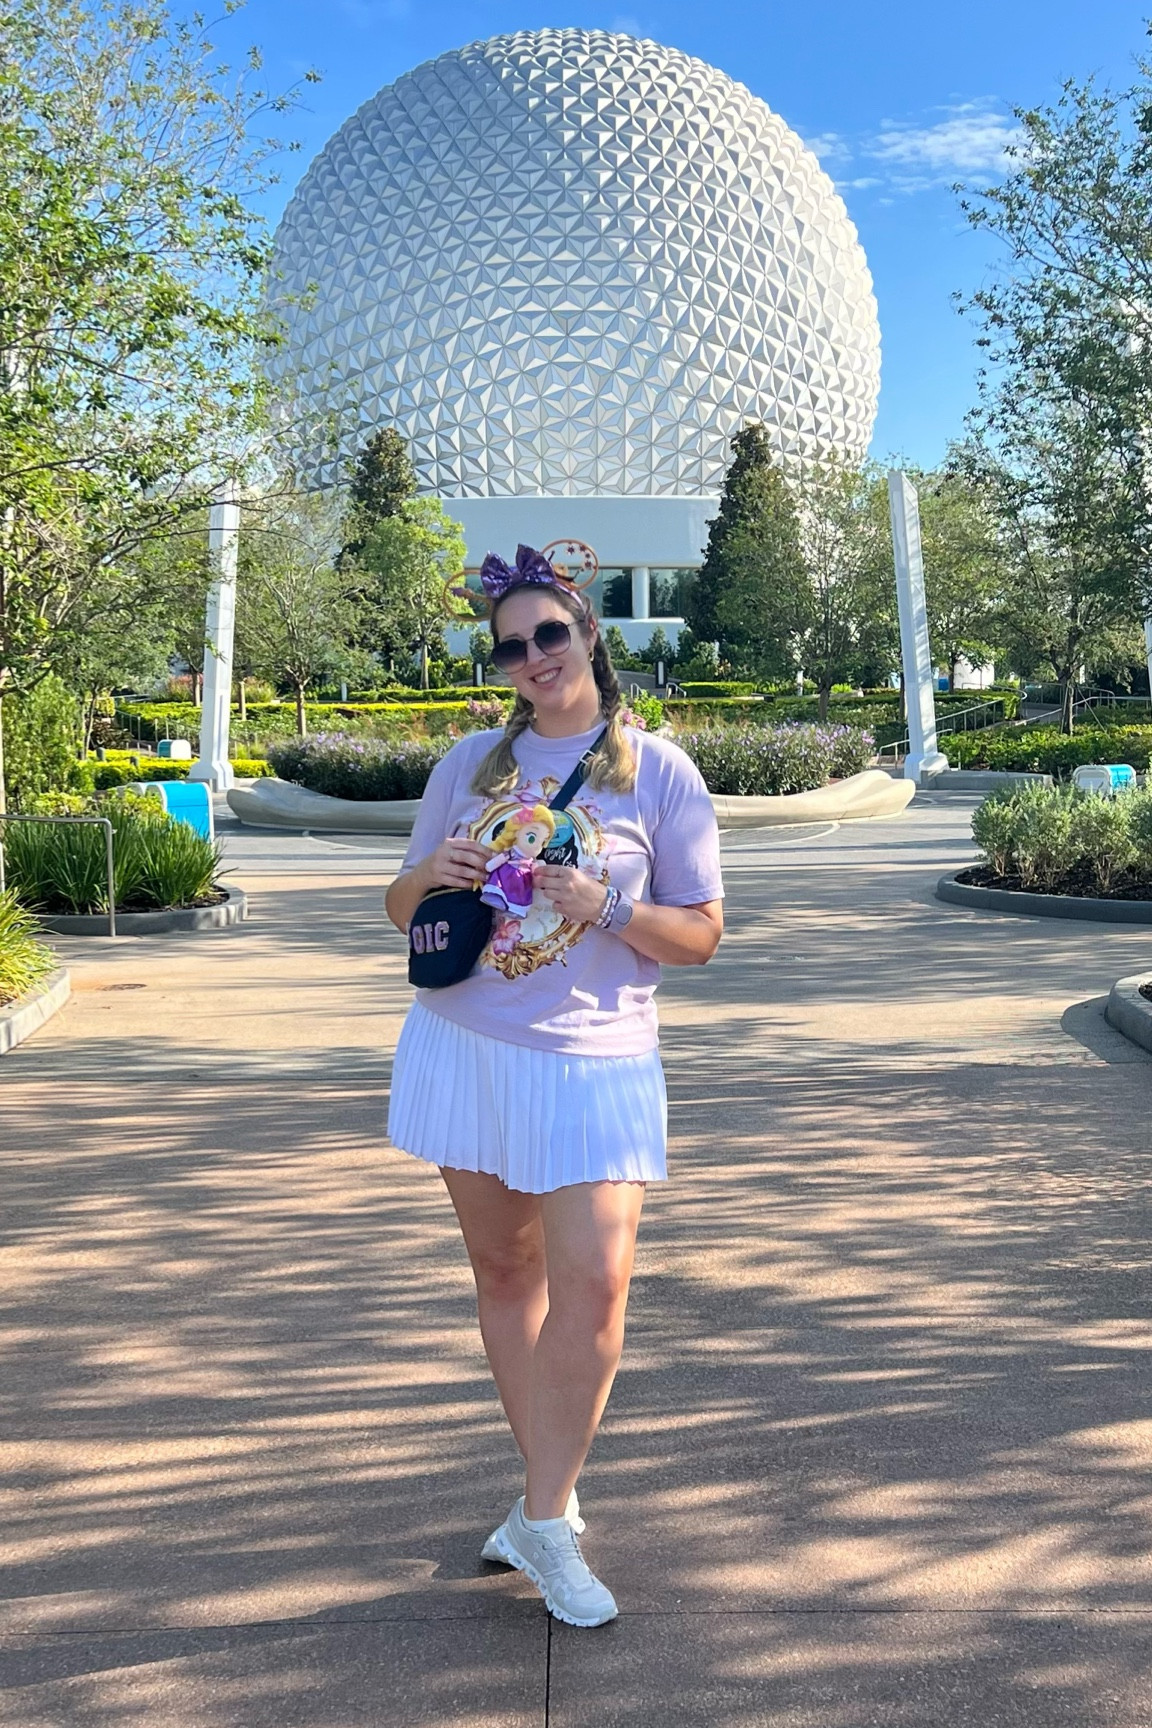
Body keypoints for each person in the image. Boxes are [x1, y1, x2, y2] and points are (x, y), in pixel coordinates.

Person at [384, 543, 724, 1628]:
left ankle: (540, 1519)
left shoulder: (657, 771)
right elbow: (400, 907)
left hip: (595, 1060)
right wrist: (430, 875)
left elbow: (701, 936)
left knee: (597, 1285)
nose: (533, 657)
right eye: (510, 646)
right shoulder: (470, 765)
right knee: (505, 1271)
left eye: (550, 634)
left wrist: (607, 907)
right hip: (467, 1042)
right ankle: (548, 1503)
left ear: (587, 636)